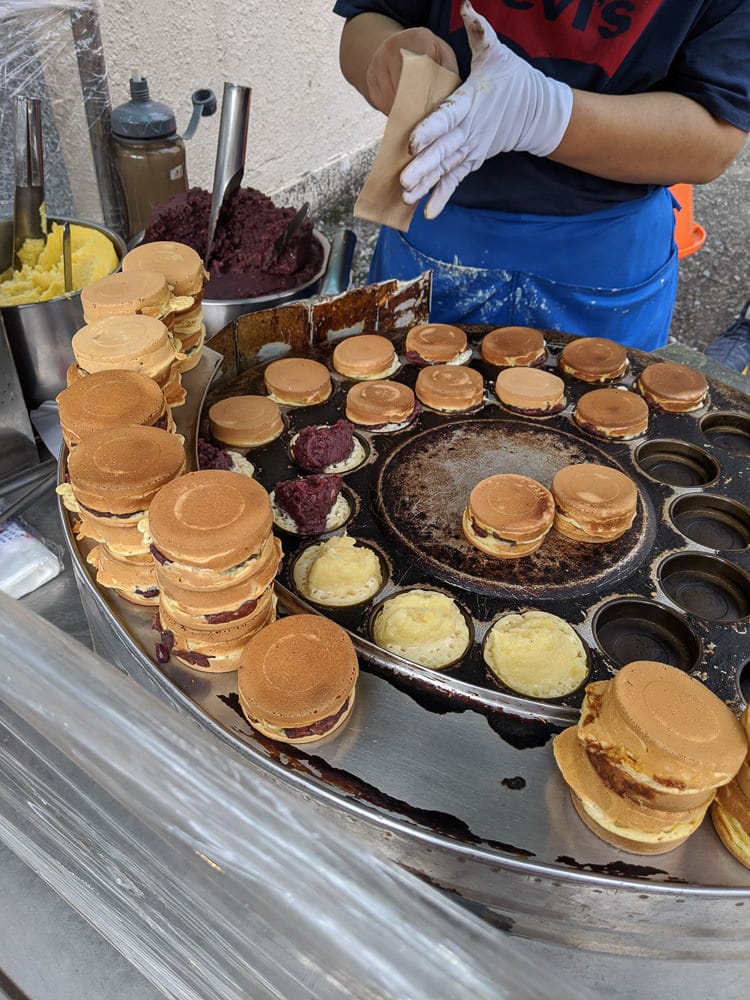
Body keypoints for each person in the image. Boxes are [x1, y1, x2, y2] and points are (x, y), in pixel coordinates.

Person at [333, 0, 750, 349]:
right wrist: (386, 57)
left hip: (604, 256)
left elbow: (713, 139)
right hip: (433, 222)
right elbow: (368, 19)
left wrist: (545, 115)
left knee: (602, 434)